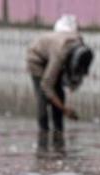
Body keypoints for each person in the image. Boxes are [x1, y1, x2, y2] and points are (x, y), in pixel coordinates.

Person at [26, 15, 94, 149]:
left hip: (51, 54)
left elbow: (78, 70)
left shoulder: (79, 44)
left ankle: (58, 135)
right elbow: (46, 85)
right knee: (43, 100)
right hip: (36, 59)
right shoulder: (60, 54)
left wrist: (73, 84)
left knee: (59, 95)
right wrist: (65, 110)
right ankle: (43, 138)